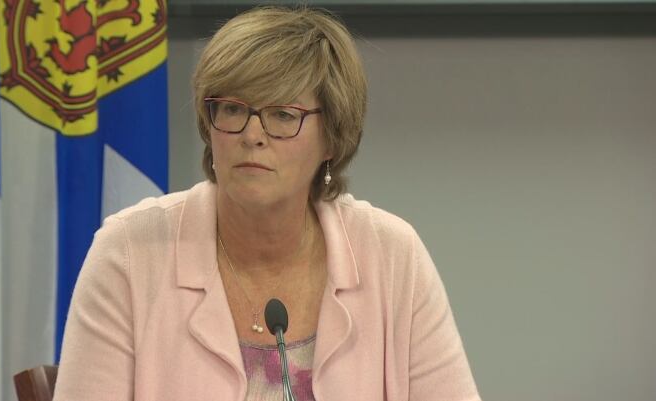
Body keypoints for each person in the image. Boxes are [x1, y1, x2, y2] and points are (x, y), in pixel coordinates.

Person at [53, 6, 480, 401]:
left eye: (282, 115)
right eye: (234, 109)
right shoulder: (128, 255)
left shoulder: (390, 255)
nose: (252, 135)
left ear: (332, 136)